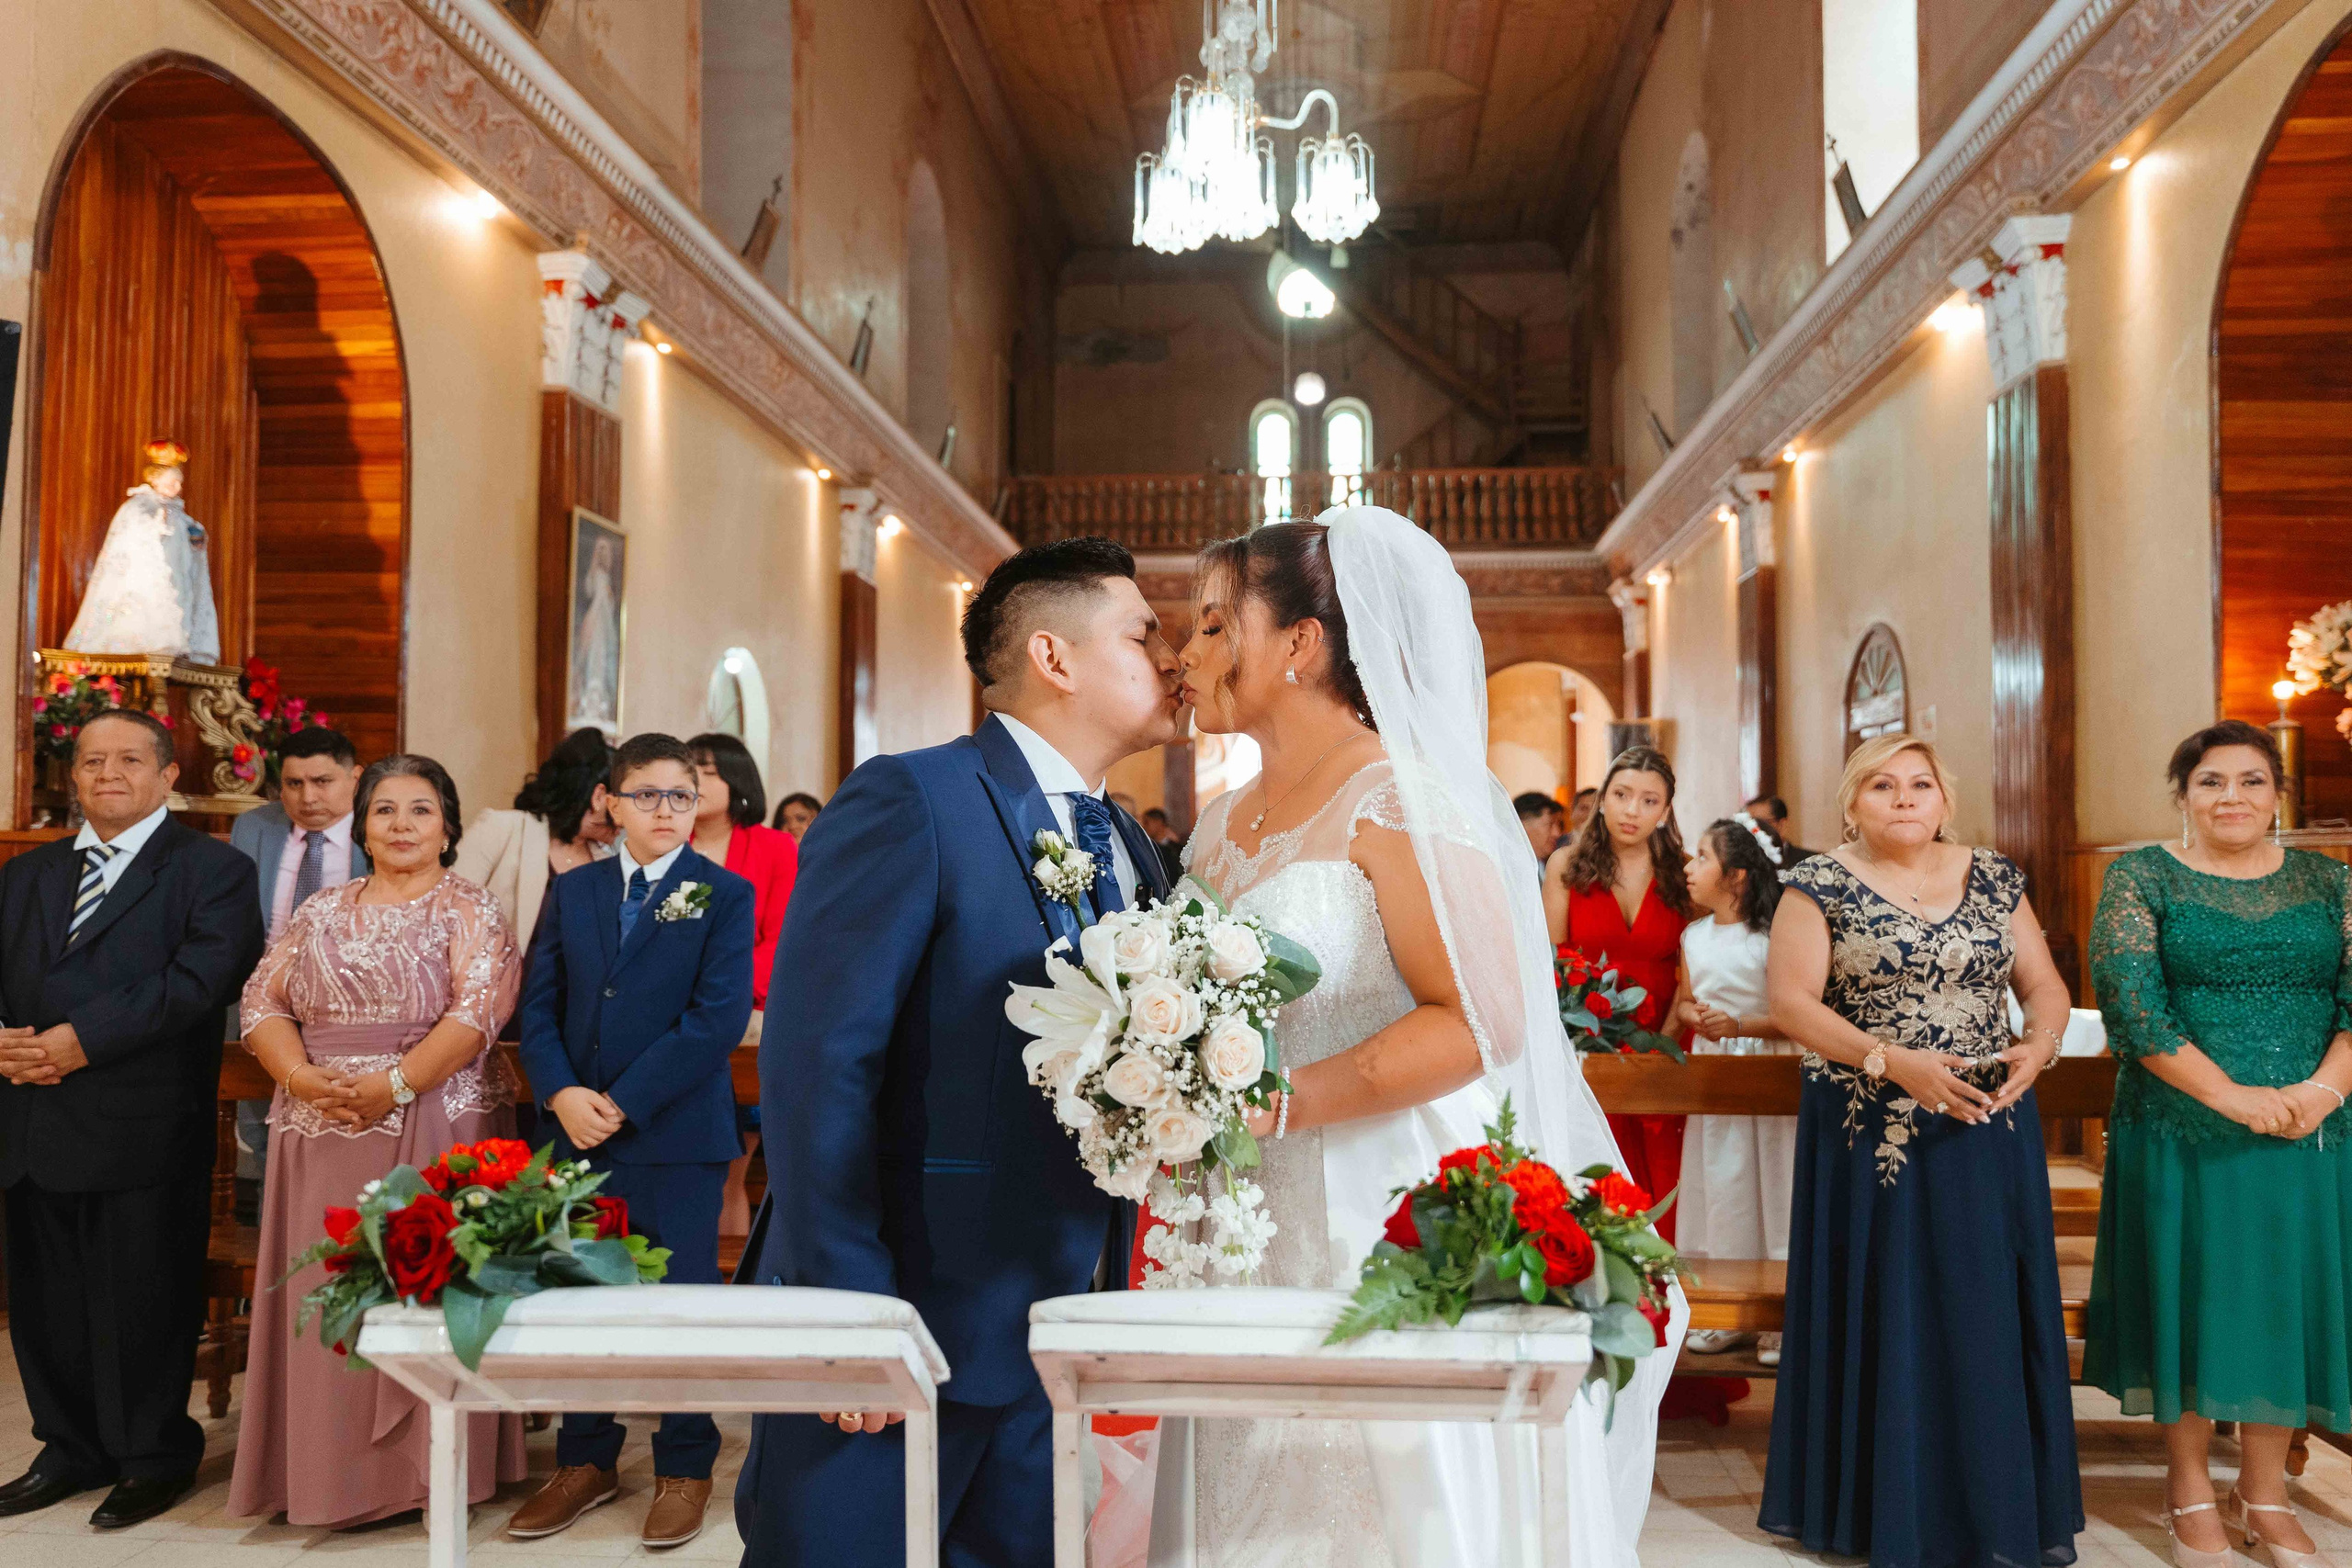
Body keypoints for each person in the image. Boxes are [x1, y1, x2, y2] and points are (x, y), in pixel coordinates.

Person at [1161, 513, 1673, 1566]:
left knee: (1389, 1491)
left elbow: (1483, 1018)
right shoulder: (1219, 822)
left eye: (1216, 628)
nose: (1187, 655)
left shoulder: (1400, 796)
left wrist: (1285, 1098)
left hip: (1378, 1190)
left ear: (1299, 646)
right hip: (1246, 1209)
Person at [735, 536, 1182, 1568]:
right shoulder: (913, 799)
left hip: (1060, 1315)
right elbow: (818, 1064)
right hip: (910, 1308)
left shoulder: (1128, 841)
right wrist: (852, 1304)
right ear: (1054, 657)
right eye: (1140, 634)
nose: (1168, 660)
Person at [1759, 734, 2081, 1567]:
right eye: (1881, 785)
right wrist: (1888, 1058)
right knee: (1888, 1299)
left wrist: (2039, 1044)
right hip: (1871, 1128)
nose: (1904, 799)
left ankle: (1993, 1503)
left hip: (1984, 1124)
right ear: (1850, 802)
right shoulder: (1816, 883)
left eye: (1920, 784)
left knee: (1980, 1303)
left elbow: (2043, 983)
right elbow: (1791, 1002)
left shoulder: (1997, 877)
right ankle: (1877, 1509)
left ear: (1945, 798)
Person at [227, 754, 527, 1527]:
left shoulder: (471, 910)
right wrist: (296, 1076)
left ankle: (421, 1477)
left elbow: (477, 1012)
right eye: (385, 809)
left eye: (420, 809)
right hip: (318, 1127)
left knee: (422, 1295)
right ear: (361, 824)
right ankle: (325, 1476)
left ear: (448, 827)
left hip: (433, 1123)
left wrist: (394, 1084)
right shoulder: (321, 909)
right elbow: (263, 995)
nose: (401, 824)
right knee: (323, 1291)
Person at [2084, 720, 2352, 1568]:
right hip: (2182, 1122)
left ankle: (2264, 1492)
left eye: (2250, 780)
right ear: (2183, 795)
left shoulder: (2329, 880)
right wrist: (2231, 1097)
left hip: (2308, 1127)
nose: (2231, 796)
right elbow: (2132, 1006)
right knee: (2192, 1299)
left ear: (2278, 795)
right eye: (2210, 781)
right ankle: (2190, 1487)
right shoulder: (2141, 876)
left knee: (2281, 1300)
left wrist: (2322, 1092)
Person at [0, 710, 264, 1529]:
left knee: (142, 1297)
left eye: (127, 759)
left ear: (168, 775)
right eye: (90, 761)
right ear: (72, 777)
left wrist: (83, 1040)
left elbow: (201, 978)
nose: (106, 773)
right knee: (44, 1300)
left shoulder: (211, 870)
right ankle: (69, 1446)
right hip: (29, 1115)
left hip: (142, 1121)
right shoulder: (26, 874)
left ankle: (153, 1454)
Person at [510, 733, 756, 1551]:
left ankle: (685, 1461)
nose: (664, 810)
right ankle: (585, 1459)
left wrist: (619, 1100)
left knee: (677, 1302)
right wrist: (561, 1092)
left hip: (673, 1132)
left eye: (679, 796)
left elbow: (715, 1017)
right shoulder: (574, 890)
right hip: (575, 1132)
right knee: (583, 1298)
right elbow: (537, 1004)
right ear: (609, 803)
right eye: (645, 795)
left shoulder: (722, 893)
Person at [1543, 747, 1694, 1236]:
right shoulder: (1567, 864)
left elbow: (1697, 963)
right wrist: (1578, 1034)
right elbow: (1550, 960)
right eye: (1622, 795)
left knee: (1666, 1168)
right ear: (1602, 799)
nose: (1633, 810)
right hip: (1586, 1037)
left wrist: (1662, 1043)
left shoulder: (1685, 872)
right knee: (1594, 1173)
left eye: (1650, 801)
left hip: (1667, 1036)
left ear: (1666, 811)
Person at [228, 725, 369, 1197]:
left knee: (339, 1116)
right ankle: (273, 1214)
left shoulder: (381, 830)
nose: (308, 797)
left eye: (323, 781)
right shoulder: (254, 827)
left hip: (351, 1008)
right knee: (260, 1124)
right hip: (263, 1000)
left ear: (356, 778)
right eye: (293, 784)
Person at [1674, 817, 1795, 1364]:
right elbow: (1683, 999)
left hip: (1769, 1065)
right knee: (1722, 1186)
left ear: (1739, 876)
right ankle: (1726, 1311)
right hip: (1715, 1066)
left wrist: (1742, 1025)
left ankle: (1781, 1317)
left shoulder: (1774, 936)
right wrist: (1693, 1015)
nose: (1689, 867)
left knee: (1778, 1184)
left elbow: (1799, 1014)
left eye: (1702, 857)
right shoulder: (1692, 936)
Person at [685, 730, 799, 1236]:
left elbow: (783, 940)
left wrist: (713, 986)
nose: (695, 781)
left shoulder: (774, 848)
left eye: (708, 771)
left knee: (728, 1174)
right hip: (674, 1018)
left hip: (746, 1016)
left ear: (737, 779)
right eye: (689, 769)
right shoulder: (666, 844)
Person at [452, 727, 616, 949]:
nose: (626, 816)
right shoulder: (502, 829)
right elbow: (447, 912)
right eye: (620, 802)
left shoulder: (606, 860)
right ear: (598, 797)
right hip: (498, 980)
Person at [62, 439, 220, 663]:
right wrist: (156, 526)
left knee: (180, 604)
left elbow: (191, 537)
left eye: (179, 482)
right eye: (172, 481)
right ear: (155, 479)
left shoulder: (179, 514)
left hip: (177, 577)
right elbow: (132, 540)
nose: (177, 487)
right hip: (149, 581)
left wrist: (196, 538)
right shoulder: (139, 507)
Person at [1513, 789, 1564, 871]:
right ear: (1522, 826)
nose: (1557, 833)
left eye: (1559, 825)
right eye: (1549, 825)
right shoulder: (1507, 868)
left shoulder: (1549, 867)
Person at [1140, 805, 1186, 886]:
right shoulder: (1145, 849)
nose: (1144, 827)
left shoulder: (1178, 849)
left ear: (1158, 822)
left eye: (1147, 823)